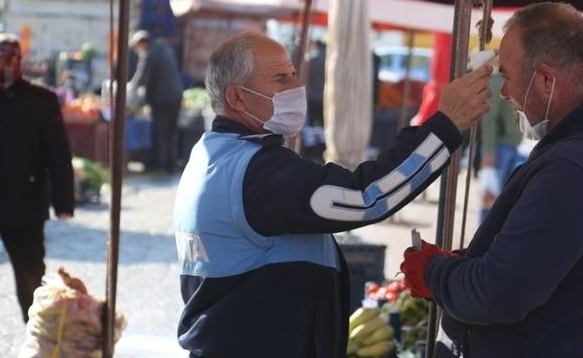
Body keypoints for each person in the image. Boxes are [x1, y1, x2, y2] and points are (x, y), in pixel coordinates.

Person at [173, 32, 492, 357]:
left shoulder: (214, 155)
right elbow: (367, 196)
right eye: (281, 79)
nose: (295, 89)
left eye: (294, 75)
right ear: (237, 98)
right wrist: (445, 126)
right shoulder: (255, 173)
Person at [400, 2, 583, 357]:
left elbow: (499, 294)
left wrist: (435, 272)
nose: (503, 92)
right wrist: (464, 263)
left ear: (545, 80)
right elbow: (548, 265)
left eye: (507, 76)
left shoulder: (574, 169)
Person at [0, 34, 74, 358]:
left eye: (8, 61)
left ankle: (37, 341)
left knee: (29, 281)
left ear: (19, 62)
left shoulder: (41, 100)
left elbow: (57, 152)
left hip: (23, 206)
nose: (1, 67)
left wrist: (63, 201)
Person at [129, 30, 184, 173]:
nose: (136, 51)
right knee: (171, 131)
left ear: (142, 43)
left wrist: (130, 89)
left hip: (162, 99)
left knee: (160, 132)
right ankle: (171, 163)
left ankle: (160, 164)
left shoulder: (149, 54)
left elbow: (142, 78)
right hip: (176, 95)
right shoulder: (164, 48)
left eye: (136, 47)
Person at [478, 73, 523, 222]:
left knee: (498, 202)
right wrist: (489, 151)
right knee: (491, 201)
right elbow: (489, 119)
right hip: (499, 148)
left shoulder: (511, 80)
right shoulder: (499, 82)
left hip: (507, 146)